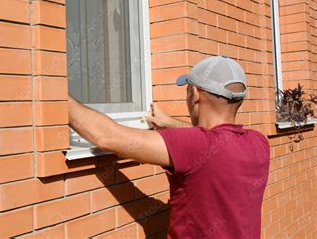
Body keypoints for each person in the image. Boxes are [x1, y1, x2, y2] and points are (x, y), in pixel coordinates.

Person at [67, 55, 270, 238]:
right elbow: (211, 142)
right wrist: (170, 123)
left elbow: (108, 137)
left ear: (195, 93)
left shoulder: (196, 146)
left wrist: (56, 92)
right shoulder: (259, 142)